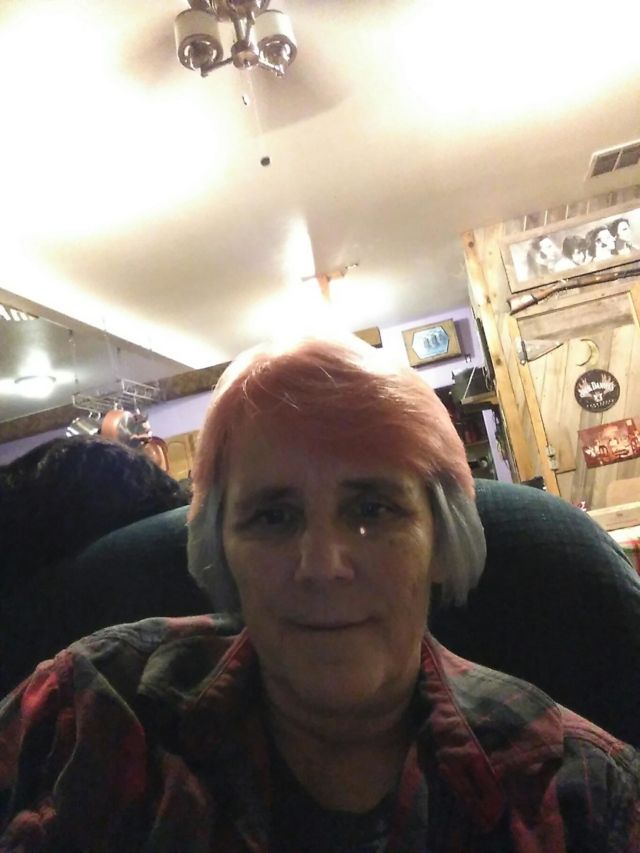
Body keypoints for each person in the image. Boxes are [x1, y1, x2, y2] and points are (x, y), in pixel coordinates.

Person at [0, 335, 638, 851]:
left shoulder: (578, 793)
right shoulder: (83, 714)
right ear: (220, 550)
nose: (322, 567)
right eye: (274, 517)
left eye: (372, 509)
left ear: (442, 541)